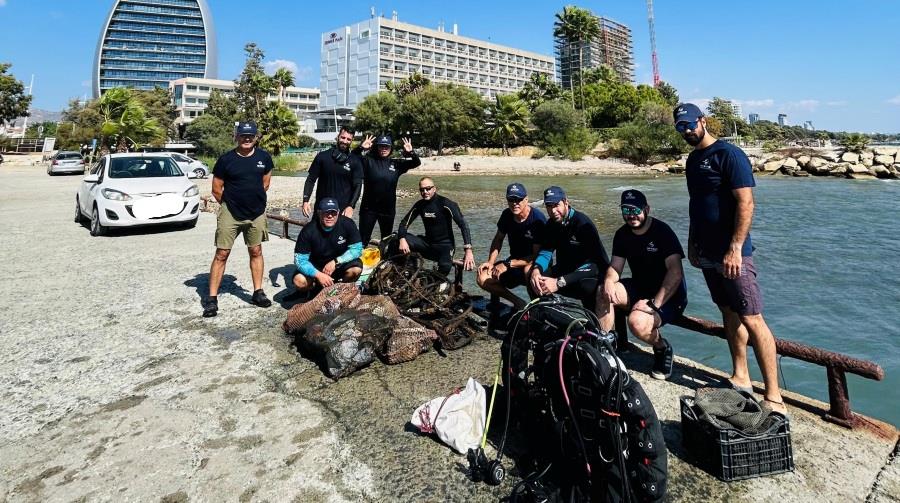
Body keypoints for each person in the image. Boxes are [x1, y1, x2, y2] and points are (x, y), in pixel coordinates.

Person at [674, 102, 786, 413]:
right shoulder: (693, 161)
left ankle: (774, 396)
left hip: (734, 253)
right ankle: (741, 375)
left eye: (689, 124)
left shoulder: (729, 155)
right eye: (680, 127)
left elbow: (746, 203)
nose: (686, 131)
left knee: (752, 318)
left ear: (703, 121)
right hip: (707, 252)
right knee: (728, 312)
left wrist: (736, 247)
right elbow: (696, 204)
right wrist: (692, 243)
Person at [596, 189, 687, 380]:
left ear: (646, 209)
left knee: (636, 322)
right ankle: (603, 346)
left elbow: (675, 272)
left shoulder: (662, 232)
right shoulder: (622, 234)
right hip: (640, 287)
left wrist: (654, 304)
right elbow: (615, 267)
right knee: (603, 291)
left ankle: (662, 348)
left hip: (669, 295)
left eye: (635, 210)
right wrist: (609, 281)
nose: (631, 215)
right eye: (626, 210)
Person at [203, 121, 274, 318]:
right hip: (230, 213)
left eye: (250, 135)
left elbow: (265, 183)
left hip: (256, 213)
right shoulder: (226, 160)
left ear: (255, 137)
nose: (247, 138)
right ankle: (211, 298)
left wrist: (253, 198)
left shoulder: (264, 158)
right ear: (237, 136)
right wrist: (230, 204)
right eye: (243, 135)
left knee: (256, 250)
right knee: (222, 254)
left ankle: (258, 292)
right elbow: (216, 189)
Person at [529, 186, 609, 310]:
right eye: (549, 206)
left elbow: (596, 264)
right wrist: (536, 269)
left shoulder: (582, 224)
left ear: (566, 202)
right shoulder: (551, 224)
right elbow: (546, 252)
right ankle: (549, 318)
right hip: (566, 270)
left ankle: (595, 324)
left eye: (556, 205)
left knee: (585, 287)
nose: (553, 210)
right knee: (536, 281)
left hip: (589, 273)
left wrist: (559, 282)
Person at [477, 183, 546, 310]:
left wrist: (508, 264)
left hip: (534, 264)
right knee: (483, 277)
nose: (515, 203)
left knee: (528, 271)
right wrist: (491, 262)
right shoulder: (506, 215)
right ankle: (519, 302)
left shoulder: (537, 220)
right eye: (511, 200)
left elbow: (537, 256)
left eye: (519, 199)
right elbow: (498, 239)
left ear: (526, 200)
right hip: (514, 263)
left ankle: (538, 310)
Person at [393, 177, 475, 275]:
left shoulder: (446, 204)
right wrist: (402, 239)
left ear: (434, 189)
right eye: (422, 190)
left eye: (428, 188)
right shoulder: (420, 205)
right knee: (395, 239)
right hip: (428, 244)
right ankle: (409, 271)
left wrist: (468, 250)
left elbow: (463, 225)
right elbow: (404, 223)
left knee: (445, 267)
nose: (425, 192)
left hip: (445, 246)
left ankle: (432, 283)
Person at [352, 134, 421, 244]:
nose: (384, 149)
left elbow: (416, 162)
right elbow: (353, 157)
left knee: (386, 239)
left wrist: (410, 152)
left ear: (390, 148)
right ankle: (359, 260)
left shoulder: (396, 164)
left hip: (388, 209)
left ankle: (384, 259)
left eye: (386, 147)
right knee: (363, 239)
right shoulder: (368, 161)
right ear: (377, 147)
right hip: (368, 209)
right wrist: (361, 147)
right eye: (381, 146)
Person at [292, 197, 363, 294]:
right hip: (316, 267)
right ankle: (314, 289)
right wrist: (318, 275)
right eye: (326, 212)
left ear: (338, 212)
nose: (330, 216)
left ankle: (339, 289)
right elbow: (299, 260)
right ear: (319, 213)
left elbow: (357, 249)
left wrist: (336, 262)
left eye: (333, 212)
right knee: (299, 281)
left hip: (339, 265)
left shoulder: (347, 224)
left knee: (356, 269)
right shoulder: (308, 230)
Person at [302, 126, 363, 219]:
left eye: (348, 139)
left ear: (352, 140)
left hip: (342, 211)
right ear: (338, 136)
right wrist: (305, 201)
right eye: (343, 137)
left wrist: (351, 206)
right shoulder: (322, 156)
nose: (345, 141)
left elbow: (358, 185)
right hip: (321, 208)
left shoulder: (355, 161)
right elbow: (311, 179)